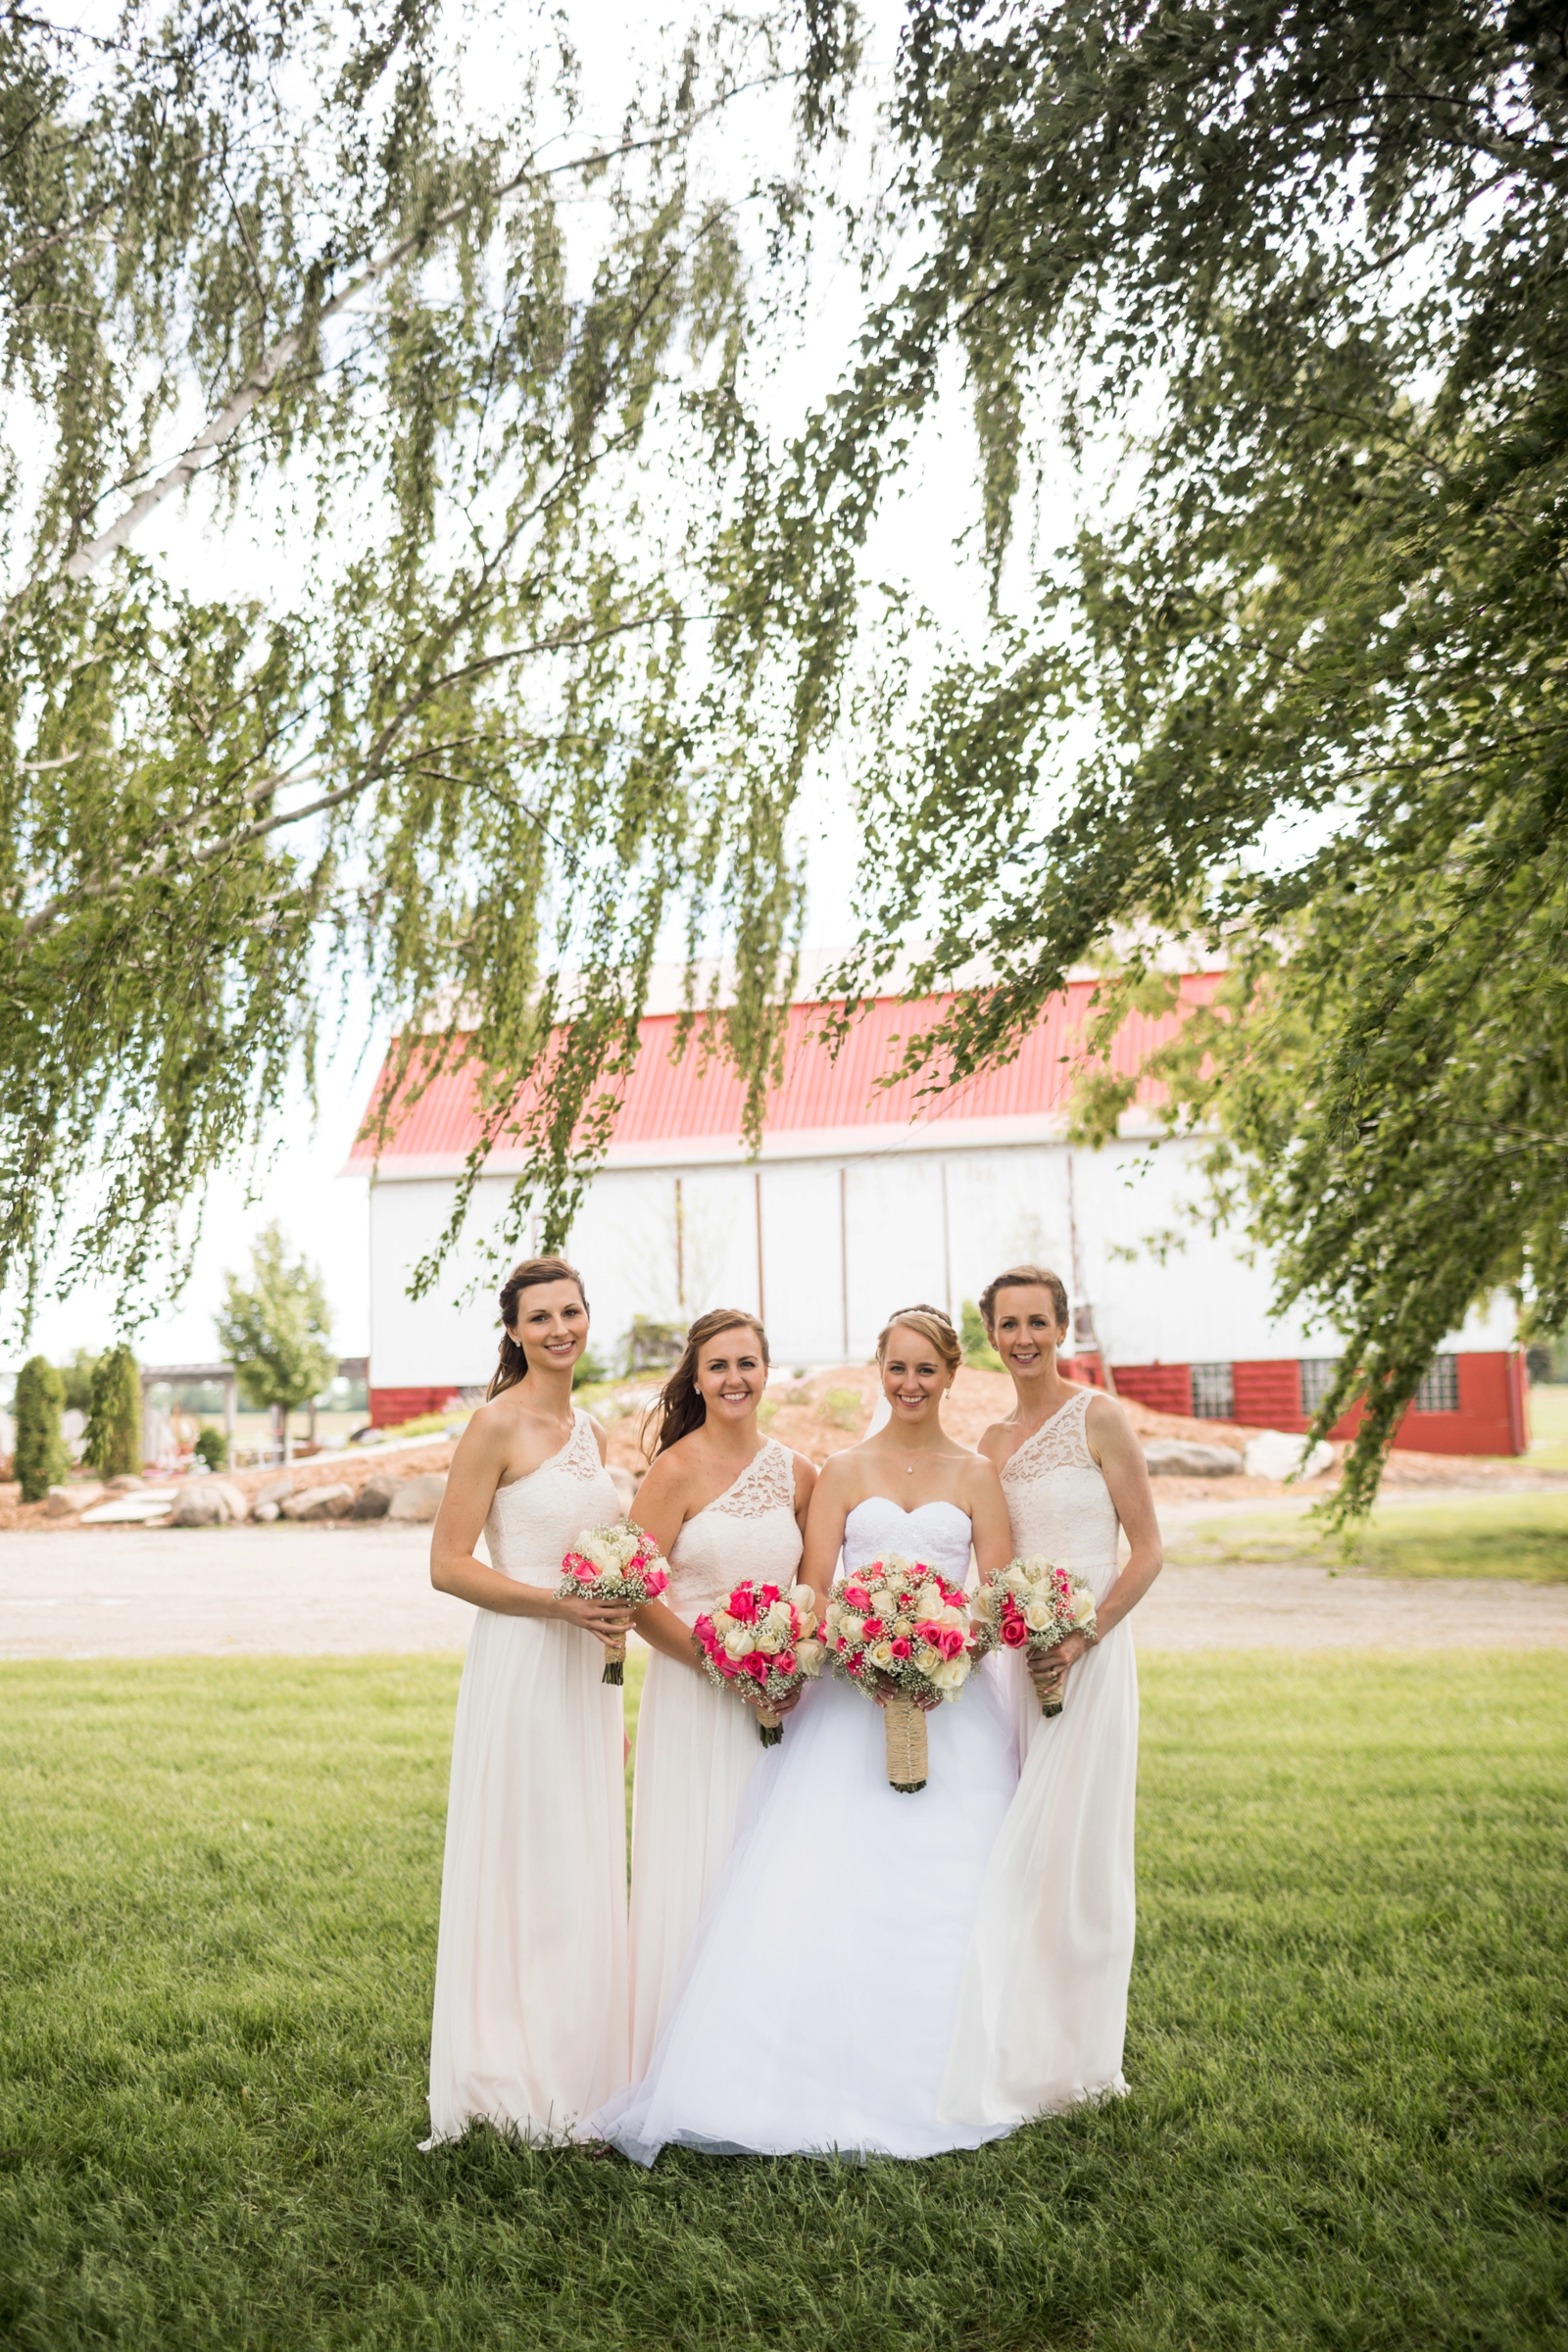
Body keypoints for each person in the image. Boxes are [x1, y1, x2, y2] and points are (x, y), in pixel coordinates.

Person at [594, 1304, 1021, 2163]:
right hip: (846, 1695)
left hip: (953, 1704)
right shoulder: (838, 1473)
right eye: (895, 1368)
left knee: (954, 1884)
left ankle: (969, 2058)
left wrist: (940, 1650)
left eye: (925, 1370)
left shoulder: (977, 1476)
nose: (909, 1384)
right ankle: (805, 2064)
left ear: (950, 1375)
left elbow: (999, 1596)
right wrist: (863, 1647)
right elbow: (815, 1591)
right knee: (825, 1876)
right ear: (877, 1370)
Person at [938, 1263, 1162, 2132]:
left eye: (1038, 1321)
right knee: (1018, 1850)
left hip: (1089, 1658)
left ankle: (1082, 2057)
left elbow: (1144, 1551)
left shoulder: (1100, 1417)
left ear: (1062, 1327)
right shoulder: (990, 1444)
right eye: (1008, 1324)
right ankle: (1020, 2041)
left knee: (1078, 1852)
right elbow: (984, 1570)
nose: (1023, 1338)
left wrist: (1083, 1634)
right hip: (1015, 1668)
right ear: (991, 1333)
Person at [423, 1256, 632, 2145]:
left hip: (587, 1668)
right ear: (513, 1330)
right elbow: (448, 1564)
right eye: (540, 1316)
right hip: (523, 1657)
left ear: (589, 1319)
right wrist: (556, 1604)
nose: (559, 1328)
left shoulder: (591, 1429)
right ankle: (509, 2068)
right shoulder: (494, 1425)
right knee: (526, 1852)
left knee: (578, 1852)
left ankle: (578, 2059)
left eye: (571, 1312)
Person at [624, 1308, 815, 2075]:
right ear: (696, 1380)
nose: (734, 1379)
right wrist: (722, 1664)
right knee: (696, 1860)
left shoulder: (801, 1474)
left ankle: (764, 2054)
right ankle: (681, 2060)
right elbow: (636, 1597)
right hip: (694, 1696)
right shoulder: (673, 1471)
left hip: (780, 1701)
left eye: (748, 1363)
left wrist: (784, 1663)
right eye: (718, 1366)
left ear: (767, 1371)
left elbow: (814, 1587)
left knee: (768, 1864)